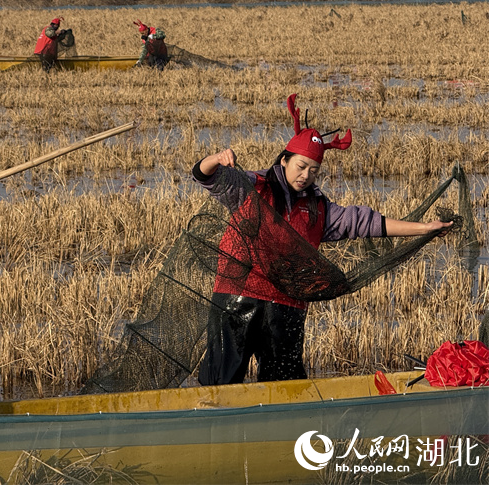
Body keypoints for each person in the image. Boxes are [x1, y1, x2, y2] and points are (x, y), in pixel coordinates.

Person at [192, 93, 452, 386]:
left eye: (313, 171)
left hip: (287, 304)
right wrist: (215, 159)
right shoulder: (254, 188)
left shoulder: (318, 208)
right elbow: (206, 177)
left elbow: (367, 223)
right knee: (220, 380)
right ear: (284, 159)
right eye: (300, 166)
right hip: (239, 296)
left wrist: (424, 228)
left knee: (284, 384)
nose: (305, 175)